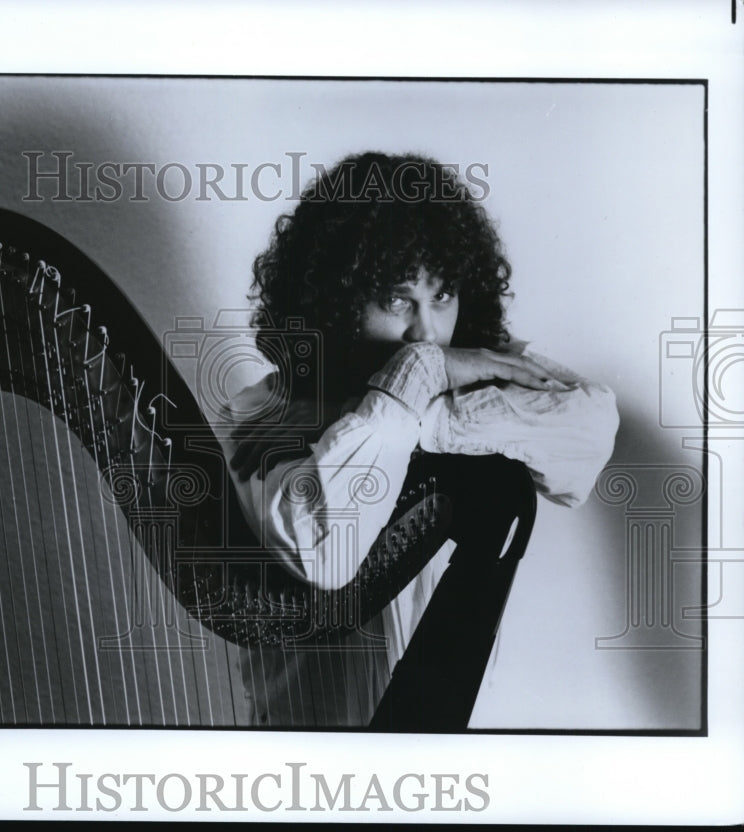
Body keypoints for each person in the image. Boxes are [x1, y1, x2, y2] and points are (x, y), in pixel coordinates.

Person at [219, 152, 619, 728]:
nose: (427, 333)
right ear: (333, 300)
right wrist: (416, 382)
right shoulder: (257, 418)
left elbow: (589, 426)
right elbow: (325, 552)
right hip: (299, 758)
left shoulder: (458, 373)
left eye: (443, 296)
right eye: (397, 300)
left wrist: (416, 406)